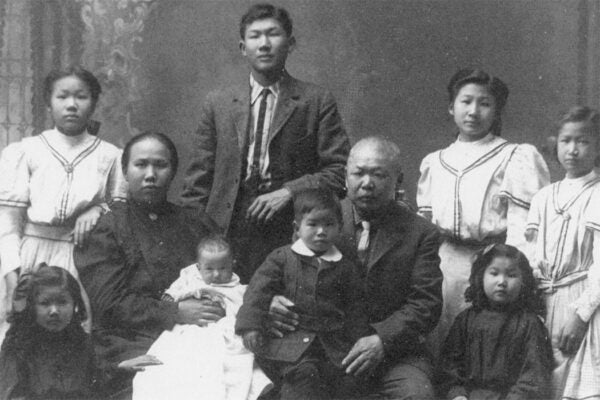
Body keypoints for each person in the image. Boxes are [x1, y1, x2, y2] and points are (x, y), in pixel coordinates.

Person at [180, 3, 350, 283]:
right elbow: (197, 182)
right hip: (225, 229)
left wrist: (288, 192)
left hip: (288, 228)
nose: (264, 44)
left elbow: (338, 170)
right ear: (242, 47)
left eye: (273, 34)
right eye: (255, 36)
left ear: (290, 43)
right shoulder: (218, 103)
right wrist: (194, 242)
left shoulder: (315, 101)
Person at [269, 138, 443, 399]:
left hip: (394, 354)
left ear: (398, 179)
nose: (367, 183)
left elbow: (426, 303)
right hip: (324, 348)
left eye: (379, 174)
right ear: (345, 177)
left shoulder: (421, 232)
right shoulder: (317, 221)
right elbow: (288, 276)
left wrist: (382, 340)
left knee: (416, 394)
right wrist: (274, 300)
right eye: (358, 173)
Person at [73, 132, 220, 396]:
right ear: (125, 172)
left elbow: (225, 277)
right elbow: (109, 303)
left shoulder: (197, 223)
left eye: (160, 165)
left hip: (195, 336)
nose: (150, 174)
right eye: (140, 165)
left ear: (173, 171)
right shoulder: (108, 228)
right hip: (127, 343)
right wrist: (174, 312)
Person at [417, 68, 550, 357]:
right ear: (451, 107)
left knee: (485, 351)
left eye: (485, 103)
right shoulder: (435, 162)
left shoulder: (514, 157)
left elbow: (524, 230)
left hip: (492, 269)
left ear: (497, 111)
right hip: (442, 268)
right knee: (439, 349)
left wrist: (511, 279)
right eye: (466, 101)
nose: (474, 111)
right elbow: (423, 229)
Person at [0, 65, 128, 342]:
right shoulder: (26, 151)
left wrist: (98, 209)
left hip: (82, 258)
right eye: (62, 96)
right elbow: (8, 224)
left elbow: (122, 212)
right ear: (49, 102)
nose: (71, 105)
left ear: (93, 103)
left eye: (81, 97)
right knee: (18, 336)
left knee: (75, 337)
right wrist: (13, 279)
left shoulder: (110, 156)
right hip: (28, 254)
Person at [235, 188, 371, 400]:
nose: (321, 231)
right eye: (313, 224)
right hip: (292, 344)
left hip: (333, 347)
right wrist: (250, 326)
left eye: (329, 224)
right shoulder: (281, 257)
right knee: (303, 378)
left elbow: (356, 308)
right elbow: (257, 292)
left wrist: (358, 341)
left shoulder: (346, 266)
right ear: (297, 228)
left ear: (340, 227)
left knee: (348, 383)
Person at [132, 235, 270, 400]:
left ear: (232, 264)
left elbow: (245, 307)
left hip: (220, 330)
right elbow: (173, 292)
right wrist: (170, 300)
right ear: (199, 266)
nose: (217, 274)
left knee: (229, 366)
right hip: (187, 328)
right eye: (209, 269)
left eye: (223, 268)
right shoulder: (190, 276)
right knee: (173, 364)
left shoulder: (237, 287)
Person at [526, 106, 600, 400]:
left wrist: (580, 316)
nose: (572, 150)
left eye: (582, 141)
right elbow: (532, 257)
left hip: (584, 302)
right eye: (566, 140)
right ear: (555, 143)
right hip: (544, 302)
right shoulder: (544, 196)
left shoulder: (598, 194)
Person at [0, 264, 157, 400]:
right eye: (45, 303)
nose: (54, 311)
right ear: (33, 306)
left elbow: (94, 376)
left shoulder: (79, 339)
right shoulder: (19, 344)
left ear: (75, 304)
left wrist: (120, 367)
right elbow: (12, 392)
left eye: (62, 302)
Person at [437, 244, 553, 400]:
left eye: (511, 275)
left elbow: (534, 377)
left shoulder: (529, 324)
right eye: (494, 273)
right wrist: (457, 395)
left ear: (523, 281)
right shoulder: (465, 320)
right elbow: (450, 367)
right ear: (481, 276)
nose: (502, 282)